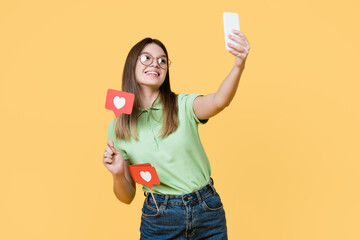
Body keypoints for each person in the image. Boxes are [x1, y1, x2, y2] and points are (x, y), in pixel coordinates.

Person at [103, 30, 250, 239]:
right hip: (159, 218)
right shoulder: (119, 126)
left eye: (162, 61)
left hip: (206, 209)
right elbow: (127, 197)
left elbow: (219, 101)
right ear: (131, 65)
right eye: (147, 58)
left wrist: (239, 65)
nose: (155, 64)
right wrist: (117, 174)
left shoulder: (183, 105)